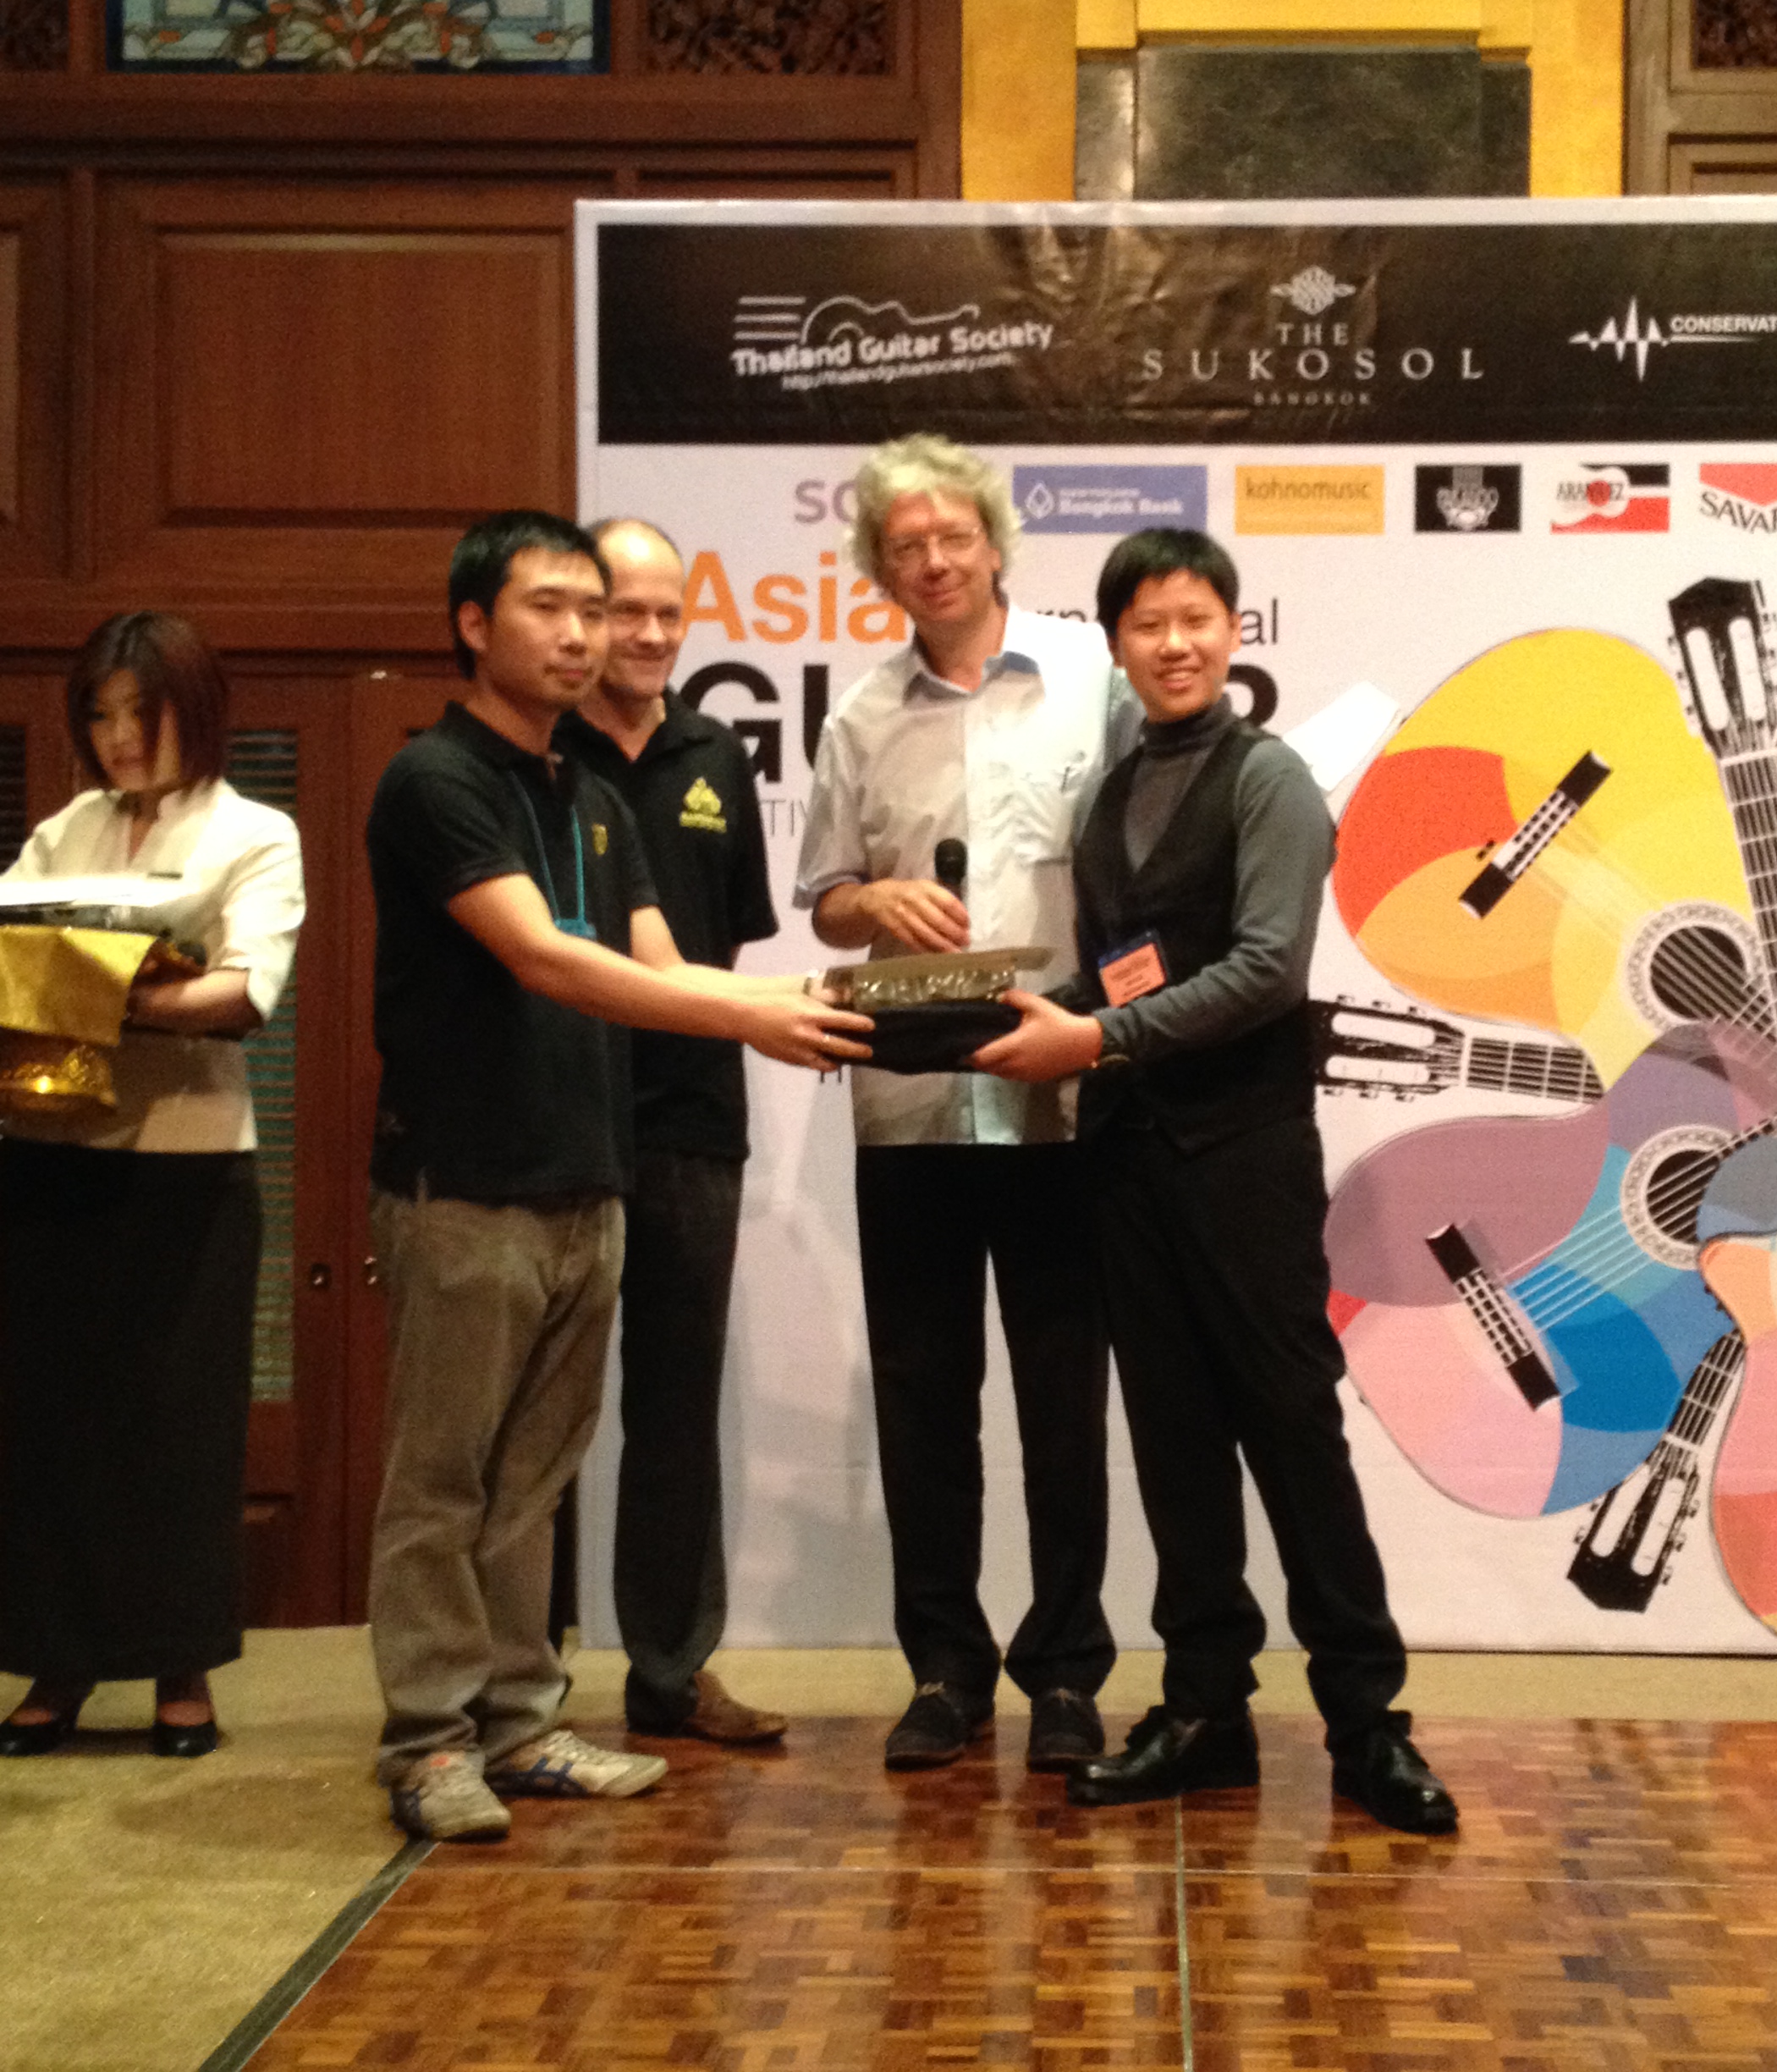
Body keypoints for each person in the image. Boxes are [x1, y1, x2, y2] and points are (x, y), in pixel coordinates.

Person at [366, 510, 868, 1843]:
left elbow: (661, 965)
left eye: (596, 610)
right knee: (444, 1481)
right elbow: (547, 960)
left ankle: (521, 1724)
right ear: (475, 623)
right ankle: (427, 1742)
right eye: (553, 607)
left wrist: (826, 1000)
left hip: (589, 1179)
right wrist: (762, 1020)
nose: (585, 634)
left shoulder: (588, 801)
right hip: (466, 1182)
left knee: (533, 1480)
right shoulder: (435, 781)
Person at [972, 528, 1458, 1835]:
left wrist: (1094, 1039)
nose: (1174, 644)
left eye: (1195, 619)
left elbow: (1265, 971)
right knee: (1174, 1439)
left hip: (1245, 1159)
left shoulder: (1270, 781)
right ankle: (1205, 1712)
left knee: (1292, 1431)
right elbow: (1113, 965)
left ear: (1234, 631)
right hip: (1126, 1164)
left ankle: (1368, 1724)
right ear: (1118, 646)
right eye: (1148, 625)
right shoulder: (1111, 791)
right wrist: (994, 1009)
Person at [796, 433, 1134, 1772]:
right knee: (923, 1398)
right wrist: (871, 899)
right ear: (879, 570)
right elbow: (825, 898)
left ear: (995, 542)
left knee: (1063, 1402)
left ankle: (1066, 1674)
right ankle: (943, 1670)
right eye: (906, 548)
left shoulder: (1091, 676)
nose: (933, 562)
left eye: (952, 537)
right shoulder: (859, 717)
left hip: (1059, 1097)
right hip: (911, 1103)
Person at [0, 612, 305, 1760]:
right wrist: (102, 989)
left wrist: (99, 994)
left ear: (197, 708)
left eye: (143, 712)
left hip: (190, 1164)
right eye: (101, 715)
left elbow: (242, 992)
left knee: (179, 1424)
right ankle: (58, 1664)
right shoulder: (63, 830)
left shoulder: (255, 832)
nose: (120, 738)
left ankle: (183, 1670)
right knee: (51, 1420)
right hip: (46, 1150)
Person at [555, 516, 787, 1748]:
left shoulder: (716, 754)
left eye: (666, 615)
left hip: (693, 1119)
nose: (647, 635)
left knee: (676, 1407)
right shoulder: (537, 752)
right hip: (556, 1118)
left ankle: (670, 1670)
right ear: (581, 619)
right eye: (622, 612)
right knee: (534, 1410)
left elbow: (726, 947)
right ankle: (520, 1674)